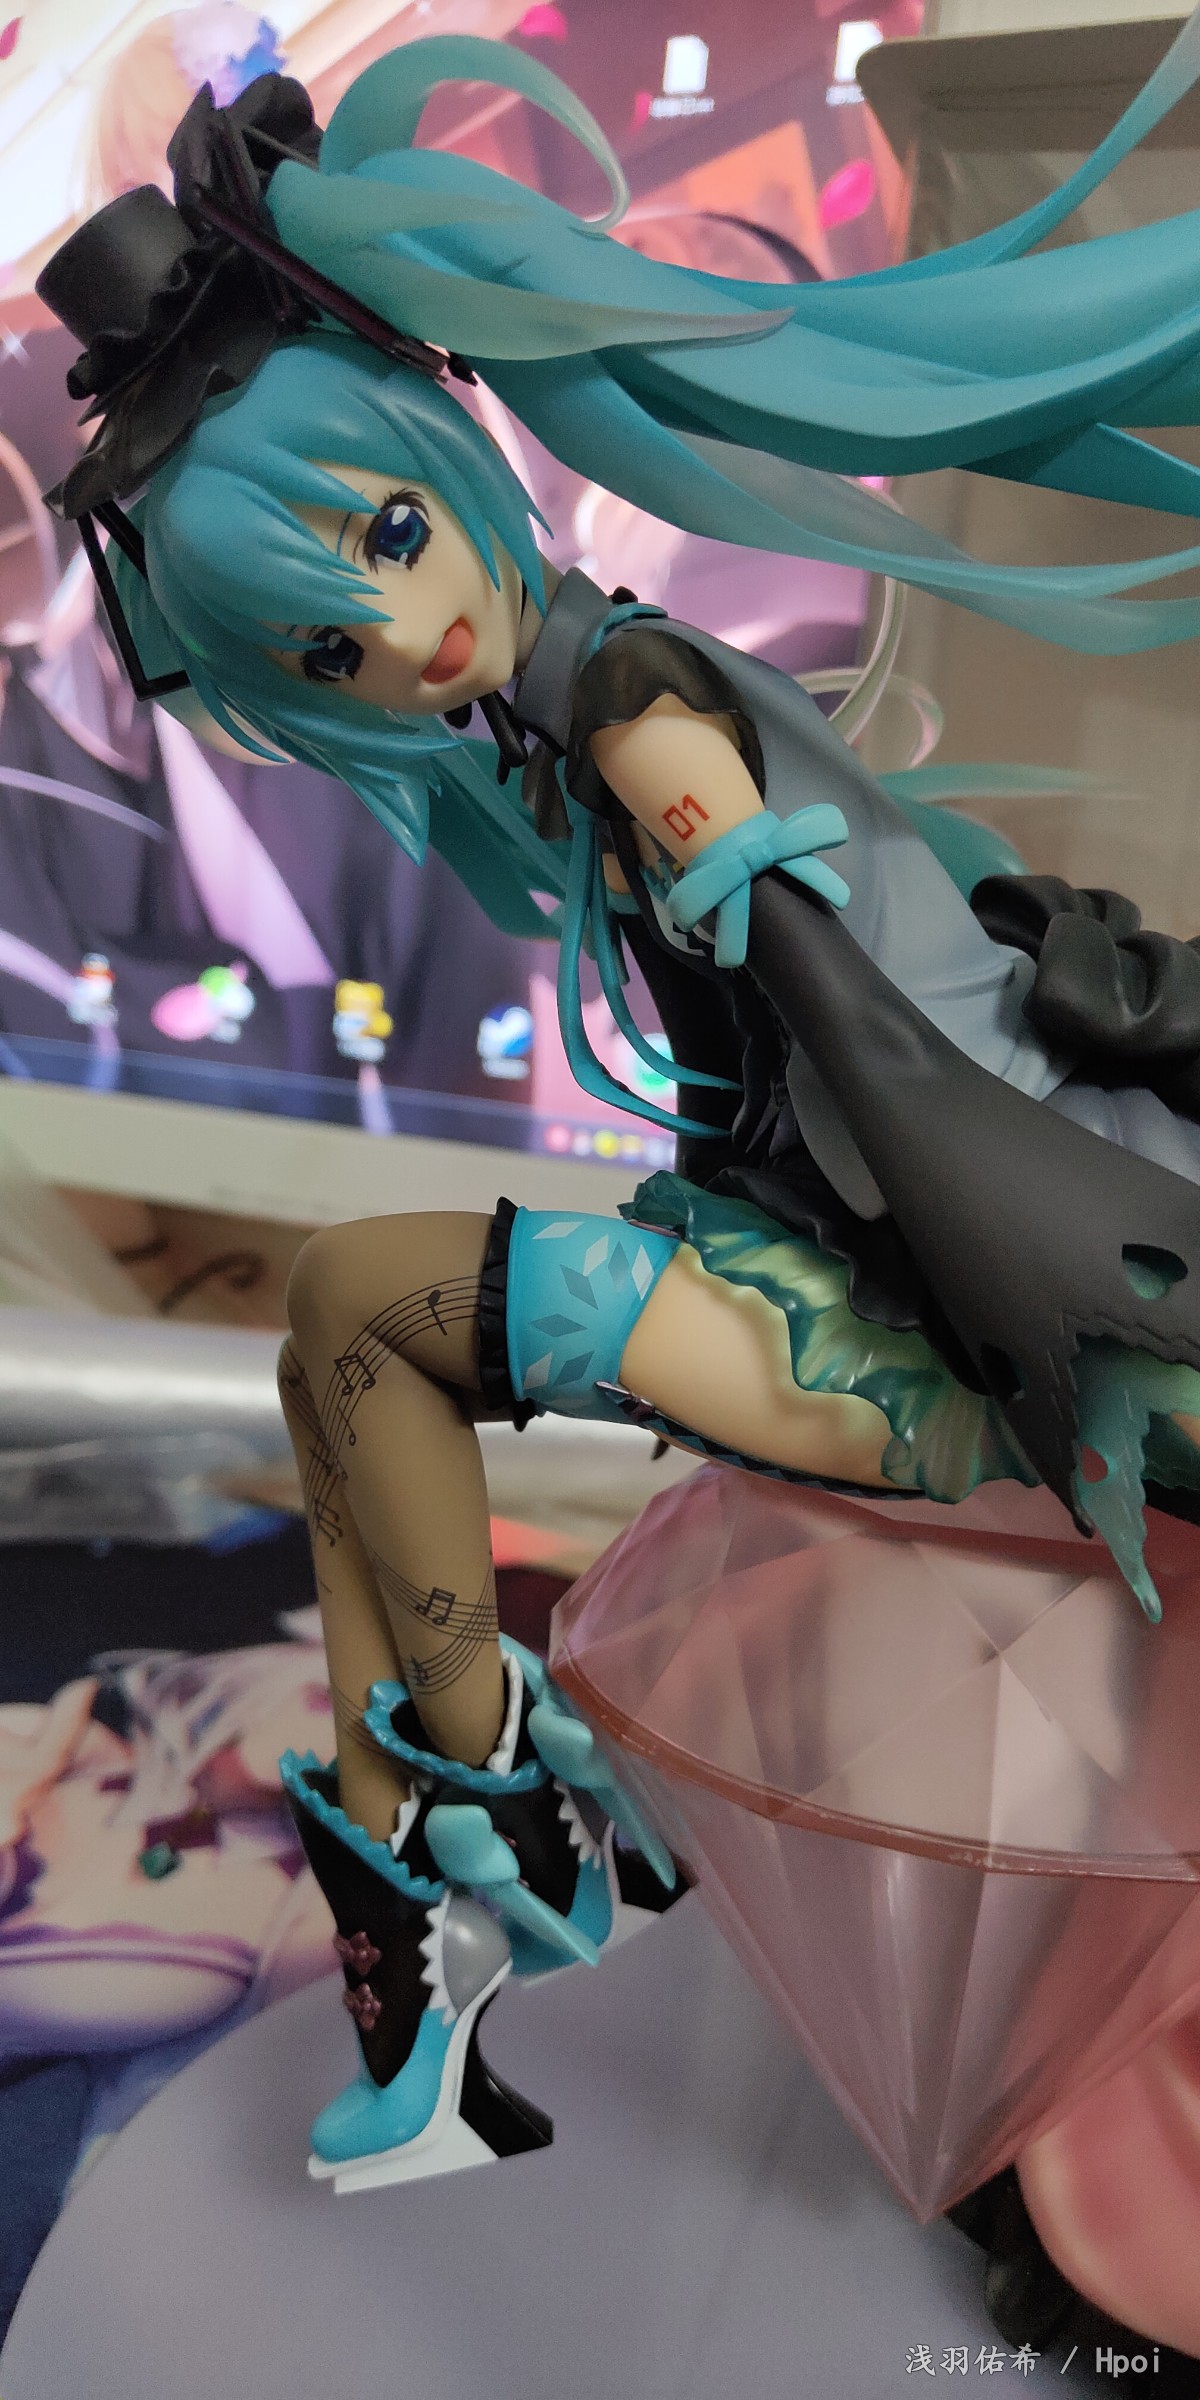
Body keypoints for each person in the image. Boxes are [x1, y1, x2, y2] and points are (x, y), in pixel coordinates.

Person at [32, 19, 1200, 2270]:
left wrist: (1069, 1317)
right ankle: (459, 1873)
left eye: (388, 537)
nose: (399, 634)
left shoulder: (647, 716)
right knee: (349, 1330)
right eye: (323, 645)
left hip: (935, 1327)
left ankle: (462, 1898)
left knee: (361, 1317)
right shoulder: (574, 709)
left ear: (437, 448)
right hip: (863, 1265)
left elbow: (874, 1046)